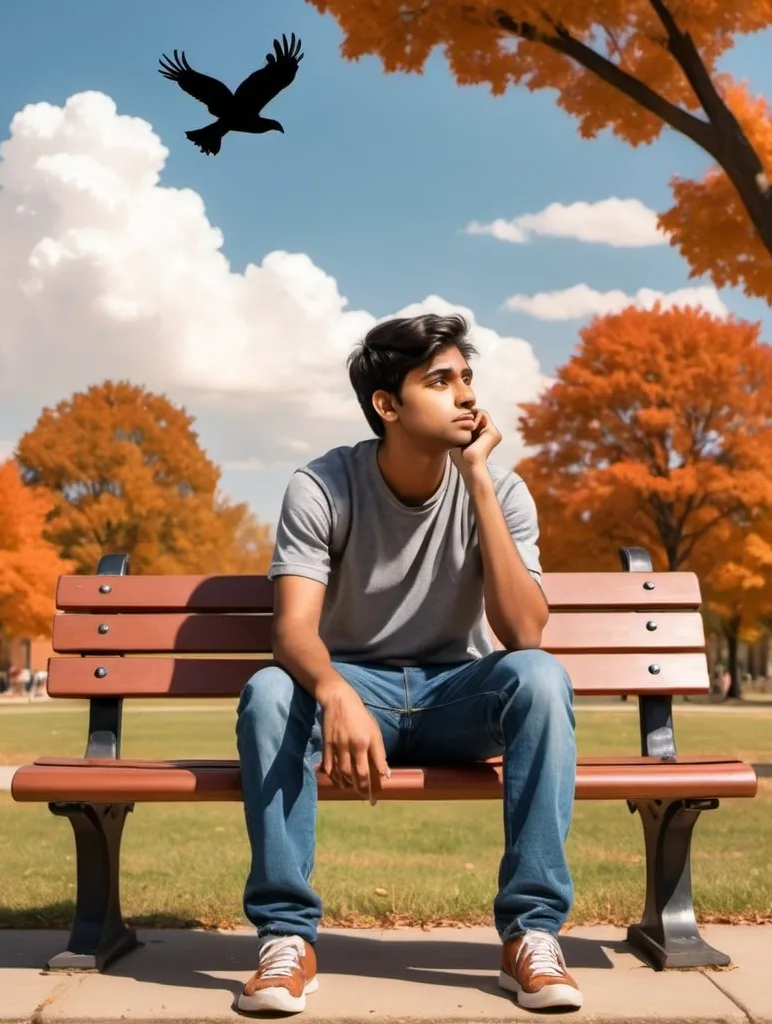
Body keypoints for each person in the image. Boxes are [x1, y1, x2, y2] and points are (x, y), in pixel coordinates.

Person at [236, 313, 580, 1015]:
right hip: (357, 690)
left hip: (458, 695)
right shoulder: (323, 485)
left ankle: (531, 935)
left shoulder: (504, 491)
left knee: (542, 679)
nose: (466, 396)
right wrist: (334, 692)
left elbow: (523, 634)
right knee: (272, 692)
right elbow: (292, 632)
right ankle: (286, 938)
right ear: (386, 405)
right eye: (441, 380)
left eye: (467, 379)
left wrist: (478, 479)